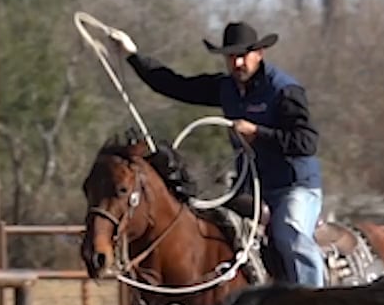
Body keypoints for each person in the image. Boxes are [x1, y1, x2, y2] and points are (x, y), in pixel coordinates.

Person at [105, 21, 327, 288]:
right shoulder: (226, 88)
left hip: (294, 186)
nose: (237, 63)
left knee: (289, 232)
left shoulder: (284, 91)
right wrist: (132, 55)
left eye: (243, 55)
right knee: (215, 230)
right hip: (250, 189)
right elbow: (174, 85)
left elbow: (307, 142)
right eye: (231, 56)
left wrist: (258, 133)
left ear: (259, 54)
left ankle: (315, 299)